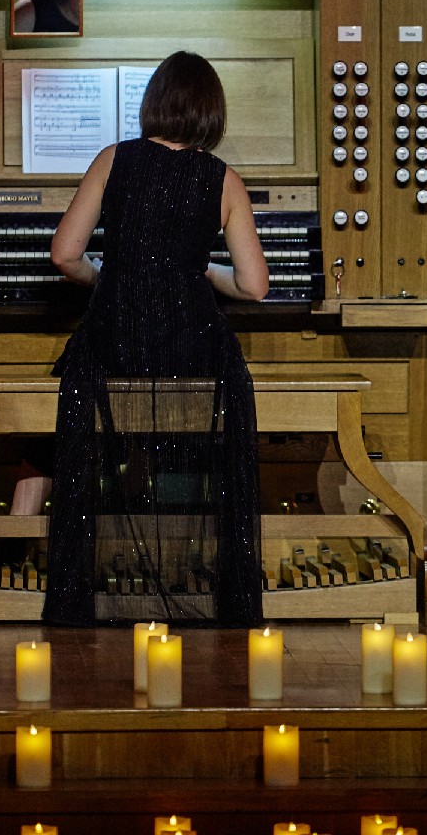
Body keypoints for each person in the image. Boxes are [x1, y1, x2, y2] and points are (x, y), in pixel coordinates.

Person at [45, 51, 269, 627]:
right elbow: (254, 286)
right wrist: (204, 273)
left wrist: (106, 278)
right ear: (212, 112)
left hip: (116, 340)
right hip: (190, 346)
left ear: (153, 104)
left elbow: (64, 255)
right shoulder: (223, 179)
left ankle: (83, 581)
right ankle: (203, 575)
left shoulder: (113, 159)